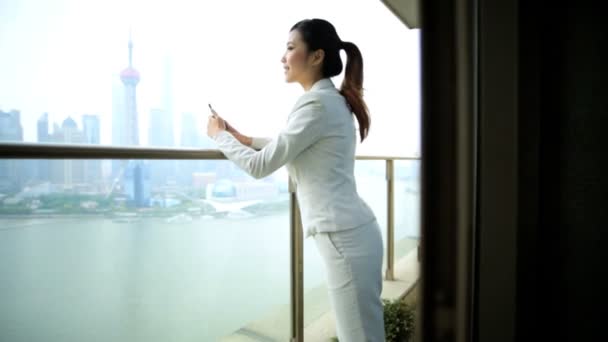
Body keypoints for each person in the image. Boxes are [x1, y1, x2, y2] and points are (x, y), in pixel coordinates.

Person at [207, 18, 385, 342]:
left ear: (316, 56)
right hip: (355, 233)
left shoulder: (315, 104)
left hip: (344, 239)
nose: (283, 58)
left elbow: (261, 166)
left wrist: (220, 137)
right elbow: (301, 144)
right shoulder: (331, 101)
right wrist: (243, 138)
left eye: (290, 48)